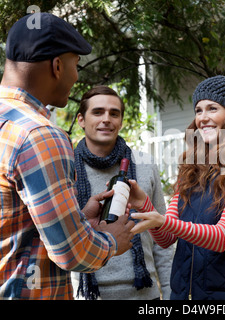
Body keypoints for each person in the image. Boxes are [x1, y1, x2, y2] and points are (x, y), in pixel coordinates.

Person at [0, 13, 134, 300]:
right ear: (56, 66)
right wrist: (112, 241)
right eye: (75, 66)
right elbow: (72, 253)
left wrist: (77, 220)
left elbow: (6, 225)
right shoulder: (40, 135)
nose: (76, 77)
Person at [129, 75, 225, 300]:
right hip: (183, 296)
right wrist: (143, 203)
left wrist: (163, 221)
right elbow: (165, 239)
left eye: (212, 108)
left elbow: (223, 237)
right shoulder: (191, 171)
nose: (202, 118)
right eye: (198, 110)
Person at [70, 85, 173, 300]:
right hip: (87, 295)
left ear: (121, 121)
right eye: (97, 112)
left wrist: (172, 294)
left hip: (144, 295)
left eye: (114, 113)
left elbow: (161, 241)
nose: (106, 119)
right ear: (81, 119)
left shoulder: (145, 165)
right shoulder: (64, 168)